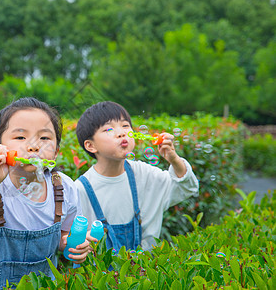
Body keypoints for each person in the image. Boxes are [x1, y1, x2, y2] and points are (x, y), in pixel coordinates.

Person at [0, 97, 90, 290]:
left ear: (56, 152)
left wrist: (72, 244)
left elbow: (64, 235)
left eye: (44, 138)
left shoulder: (64, 188)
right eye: (20, 137)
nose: (34, 146)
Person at [75, 101, 199, 252]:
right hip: (100, 274)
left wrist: (174, 160)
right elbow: (73, 242)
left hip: (146, 270)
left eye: (125, 126)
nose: (121, 133)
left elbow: (187, 187)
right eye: (109, 129)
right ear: (90, 146)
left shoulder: (145, 174)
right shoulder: (80, 189)